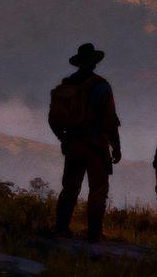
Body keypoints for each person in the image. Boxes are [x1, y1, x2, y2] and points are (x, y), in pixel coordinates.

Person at [49, 43, 122, 242]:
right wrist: (116, 145)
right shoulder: (101, 86)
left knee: (70, 188)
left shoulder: (66, 85)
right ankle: (94, 232)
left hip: (73, 144)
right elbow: (109, 119)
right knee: (98, 189)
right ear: (94, 63)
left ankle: (62, 228)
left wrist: (64, 138)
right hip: (96, 144)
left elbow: (53, 119)